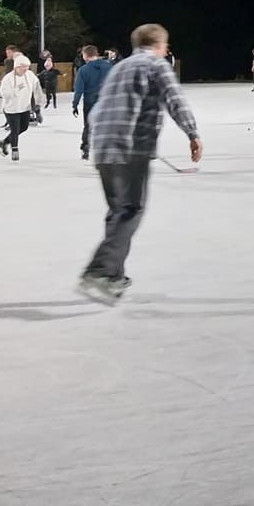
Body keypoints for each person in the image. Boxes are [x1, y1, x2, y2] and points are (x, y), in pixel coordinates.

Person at [77, 22, 202, 303]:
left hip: (102, 147)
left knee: (118, 212)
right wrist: (192, 134)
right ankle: (100, 270)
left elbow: (98, 108)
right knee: (131, 209)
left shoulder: (118, 68)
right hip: (130, 147)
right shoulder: (156, 65)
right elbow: (175, 100)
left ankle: (113, 276)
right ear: (160, 45)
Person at [0, 54, 44, 161]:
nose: (25, 69)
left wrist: (39, 102)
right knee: (15, 129)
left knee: (24, 127)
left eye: (27, 67)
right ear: (16, 67)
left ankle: (3, 143)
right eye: (23, 67)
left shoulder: (30, 75)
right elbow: (4, 93)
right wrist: (16, 90)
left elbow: (37, 88)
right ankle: (15, 149)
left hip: (25, 107)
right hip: (11, 108)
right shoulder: (8, 78)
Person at [72, 44, 113, 161]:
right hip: (107, 101)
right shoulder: (109, 66)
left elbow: (79, 89)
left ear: (85, 56)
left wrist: (75, 105)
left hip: (90, 101)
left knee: (88, 126)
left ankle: (86, 147)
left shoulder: (83, 70)